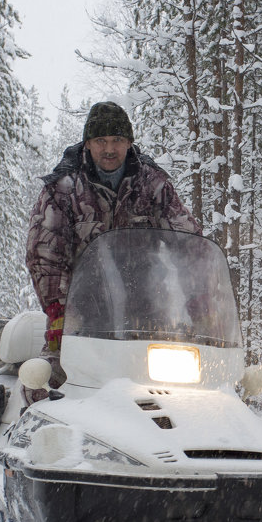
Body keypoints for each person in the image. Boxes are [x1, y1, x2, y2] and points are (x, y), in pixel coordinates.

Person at [26, 101, 202, 378]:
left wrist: (200, 299)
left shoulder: (153, 185)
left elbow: (190, 243)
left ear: (129, 142)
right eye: (101, 140)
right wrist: (59, 311)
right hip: (81, 318)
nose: (109, 149)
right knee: (49, 386)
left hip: (146, 319)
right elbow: (45, 255)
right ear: (87, 144)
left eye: (117, 140)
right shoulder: (62, 190)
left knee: (181, 392)